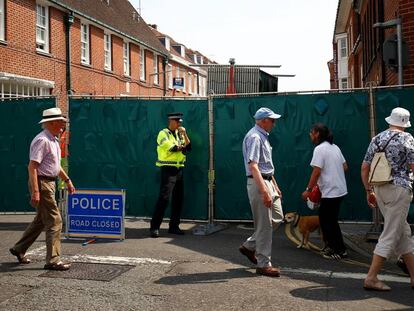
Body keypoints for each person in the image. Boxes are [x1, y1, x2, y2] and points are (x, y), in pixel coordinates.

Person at [9, 107, 76, 270]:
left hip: (49, 183)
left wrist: (67, 180)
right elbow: (32, 167)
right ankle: (53, 260)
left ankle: (19, 249)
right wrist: (36, 191)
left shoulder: (52, 139)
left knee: (41, 220)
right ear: (52, 122)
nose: (63, 124)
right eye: (61, 121)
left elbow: (55, 166)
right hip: (42, 183)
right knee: (55, 220)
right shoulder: (42, 140)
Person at [361, 107, 414, 291]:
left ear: (390, 120)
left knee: (403, 232)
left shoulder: (377, 139)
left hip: (379, 188)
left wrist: (369, 190)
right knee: (391, 232)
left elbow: (364, 168)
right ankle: (371, 277)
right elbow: (413, 165)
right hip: (399, 189)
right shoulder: (407, 138)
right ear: (404, 123)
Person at [239, 107, 284, 277]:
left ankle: (250, 246)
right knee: (265, 226)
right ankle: (263, 263)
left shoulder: (262, 136)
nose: (274, 123)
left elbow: (265, 166)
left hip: (267, 180)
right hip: (259, 184)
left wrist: (274, 184)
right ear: (263, 120)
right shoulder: (255, 137)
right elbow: (254, 166)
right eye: (272, 120)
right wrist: (264, 191)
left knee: (277, 218)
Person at [301, 123, 348, 260]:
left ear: (317, 134)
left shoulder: (319, 149)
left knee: (328, 222)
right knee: (328, 219)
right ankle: (332, 246)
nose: (310, 135)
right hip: (339, 189)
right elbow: (345, 167)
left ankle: (338, 250)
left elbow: (316, 172)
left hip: (331, 191)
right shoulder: (335, 147)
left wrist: (308, 190)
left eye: (311, 132)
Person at [150, 112, 191, 238]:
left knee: (178, 199)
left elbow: (188, 148)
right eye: (178, 122)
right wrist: (182, 147)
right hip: (168, 169)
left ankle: (174, 226)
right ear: (171, 121)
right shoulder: (163, 133)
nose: (179, 124)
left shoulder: (180, 134)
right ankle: (154, 227)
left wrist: (184, 134)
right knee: (164, 198)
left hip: (179, 170)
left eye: (180, 122)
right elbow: (173, 148)